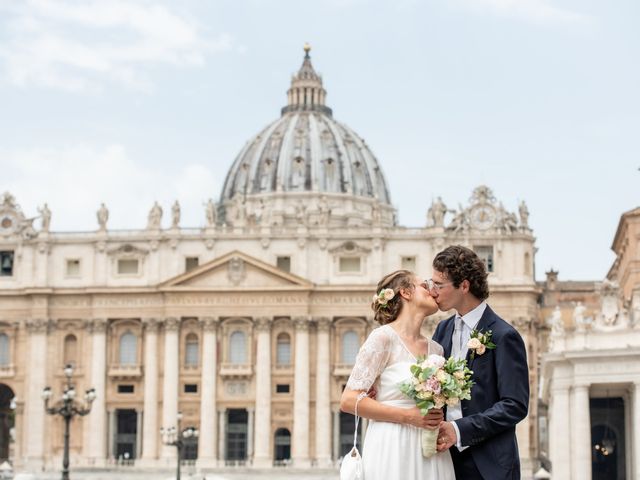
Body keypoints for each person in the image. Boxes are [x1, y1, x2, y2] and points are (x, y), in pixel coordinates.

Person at [340, 270, 455, 480]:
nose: (432, 289)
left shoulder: (436, 349)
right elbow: (348, 400)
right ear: (406, 293)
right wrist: (410, 417)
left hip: (429, 447)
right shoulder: (382, 338)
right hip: (392, 444)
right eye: (423, 285)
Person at [430, 245, 529, 479]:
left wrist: (459, 430)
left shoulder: (504, 335)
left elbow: (514, 405)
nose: (433, 291)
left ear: (464, 286)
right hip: (444, 461)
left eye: (439, 285)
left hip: (489, 465)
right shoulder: (442, 330)